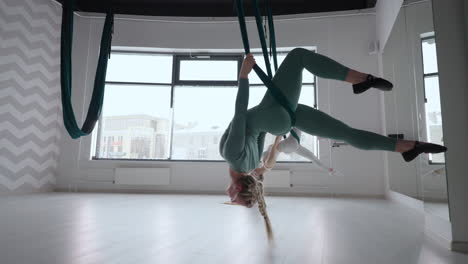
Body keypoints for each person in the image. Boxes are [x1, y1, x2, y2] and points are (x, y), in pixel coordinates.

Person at [220, 48, 447, 238]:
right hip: (270, 115)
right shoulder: (230, 155)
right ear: (238, 188)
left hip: (276, 117)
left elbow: (259, 135)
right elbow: (240, 115)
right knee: (298, 56)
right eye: (233, 198)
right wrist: (243, 76)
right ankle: (359, 79)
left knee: (346, 133)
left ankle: (406, 148)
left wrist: (274, 114)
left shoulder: (249, 166)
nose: (228, 196)